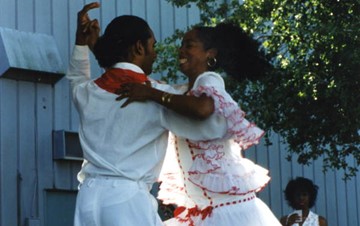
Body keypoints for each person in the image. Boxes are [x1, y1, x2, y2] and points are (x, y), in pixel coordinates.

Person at [67, 2, 230, 226]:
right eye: (152, 45)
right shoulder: (157, 96)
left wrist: (83, 43)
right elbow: (204, 107)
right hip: (127, 199)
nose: (155, 53)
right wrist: (205, 66)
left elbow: (78, 77)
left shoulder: (87, 92)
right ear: (139, 48)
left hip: (87, 199)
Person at [116, 22, 282, 225]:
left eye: (189, 44)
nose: (181, 50)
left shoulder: (209, 80)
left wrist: (150, 93)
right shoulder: (182, 91)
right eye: (181, 44)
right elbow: (157, 90)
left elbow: (203, 109)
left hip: (226, 213)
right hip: (206, 212)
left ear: (209, 54)